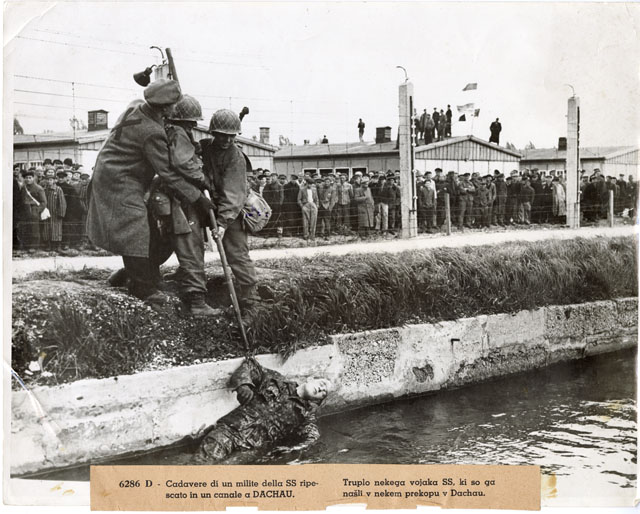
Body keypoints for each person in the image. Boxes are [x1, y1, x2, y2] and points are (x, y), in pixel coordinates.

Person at [87, 79, 203, 307]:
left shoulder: (136, 105)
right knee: (135, 227)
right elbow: (168, 173)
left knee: (150, 229)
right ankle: (142, 287)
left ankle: (135, 273)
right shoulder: (151, 132)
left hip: (113, 172)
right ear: (164, 108)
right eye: (172, 106)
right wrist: (198, 197)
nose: (174, 109)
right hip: (119, 180)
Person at [195, 358, 331, 463]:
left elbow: (312, 437)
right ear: (311, 379)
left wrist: (291, 449)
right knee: (200, 464)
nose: (321, 389)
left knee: (223, 473)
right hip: (230, 431)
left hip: (251, 450)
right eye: (322, 384)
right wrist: (243, 385)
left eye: (324, 393)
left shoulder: (306, 416)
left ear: (317, 400)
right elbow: (250, 365)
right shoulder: (276, 379)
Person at [199, 108, 261, 308]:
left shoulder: (236, 157)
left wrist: (223, 223)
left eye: (231, 136)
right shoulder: (204, 147)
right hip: (207, 204)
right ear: (213, 133)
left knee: (236, 252)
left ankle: (250, 296)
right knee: (192, 244)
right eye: (222, 135)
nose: (227, 140)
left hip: (232, 210)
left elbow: (233, 195)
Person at [19, 169, 47, 250]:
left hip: (34, 210)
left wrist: (37, 211)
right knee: (25, 228)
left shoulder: (39, 188)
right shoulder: (23, 188)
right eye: (26, 178)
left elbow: (44, 202)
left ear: (33, 178)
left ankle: (34, 246)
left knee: (34, 229)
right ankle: (26, 245)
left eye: (30, 178)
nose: (28, 179)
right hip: (25, 210)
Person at [41, 171, 67, 251]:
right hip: (47, 212)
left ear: (54, 180)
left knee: (56, 229)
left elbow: (62, 202)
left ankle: (57, 245)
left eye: (51, 180)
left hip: (56, 213)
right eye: (47, 180)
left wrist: (61, 213)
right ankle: (48, 244)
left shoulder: (58, 189)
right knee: (47, 228)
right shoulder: (44, 190)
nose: (49, 181)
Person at [297, 175, 318, 241]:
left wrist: (316, 205)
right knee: (305, 221)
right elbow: (299, 199)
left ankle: (312, 235)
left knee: (313, 221)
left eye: (311, 184)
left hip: (313, 205)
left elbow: (316, 199)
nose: (310, 185)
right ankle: (306, 235)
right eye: (309, 184)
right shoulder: (302, 189)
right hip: (305, 205)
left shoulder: (314, 190)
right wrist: (302, 206)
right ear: (306, 183)